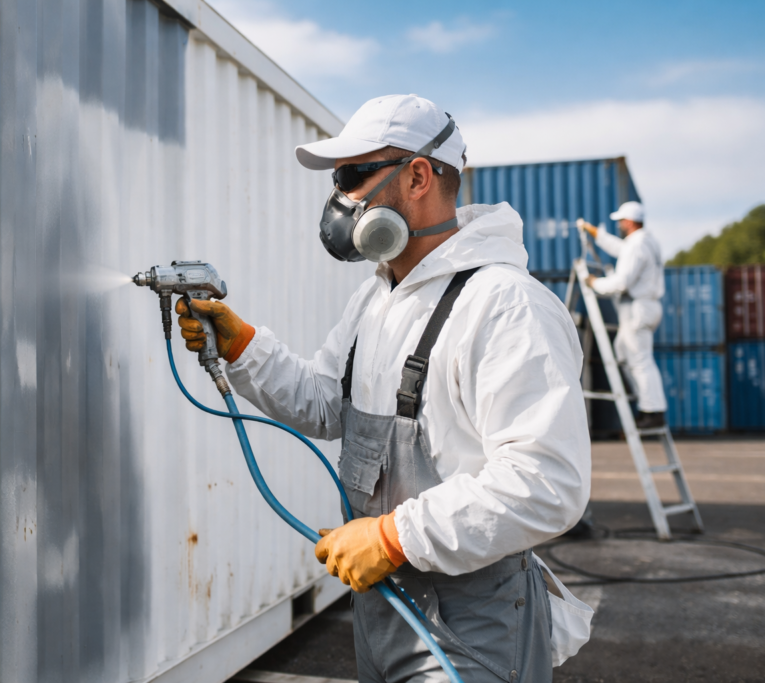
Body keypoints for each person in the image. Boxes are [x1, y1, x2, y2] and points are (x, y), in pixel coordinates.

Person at [175, 95, 591, 682]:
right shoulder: (378, 297)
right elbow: (326, 402)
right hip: (382, 605)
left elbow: (547, 482)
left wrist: (395, 535)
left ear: (417, 175)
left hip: (471, 623)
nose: (339, 200)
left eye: (351, 176)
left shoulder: (504, 304)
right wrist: (244, 346)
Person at [579, 202, 668, 429]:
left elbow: (621, 282)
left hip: (638, 308)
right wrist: (598, 235)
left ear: (629, 221)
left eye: (620, 221)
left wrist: (594, 283)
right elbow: (621, 250)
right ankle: (647, 404)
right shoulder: (645, 242)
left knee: (640, 361)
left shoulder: (637, 245)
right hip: (643, 307)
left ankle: (652, 411)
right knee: (623, 352)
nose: (619, 224)